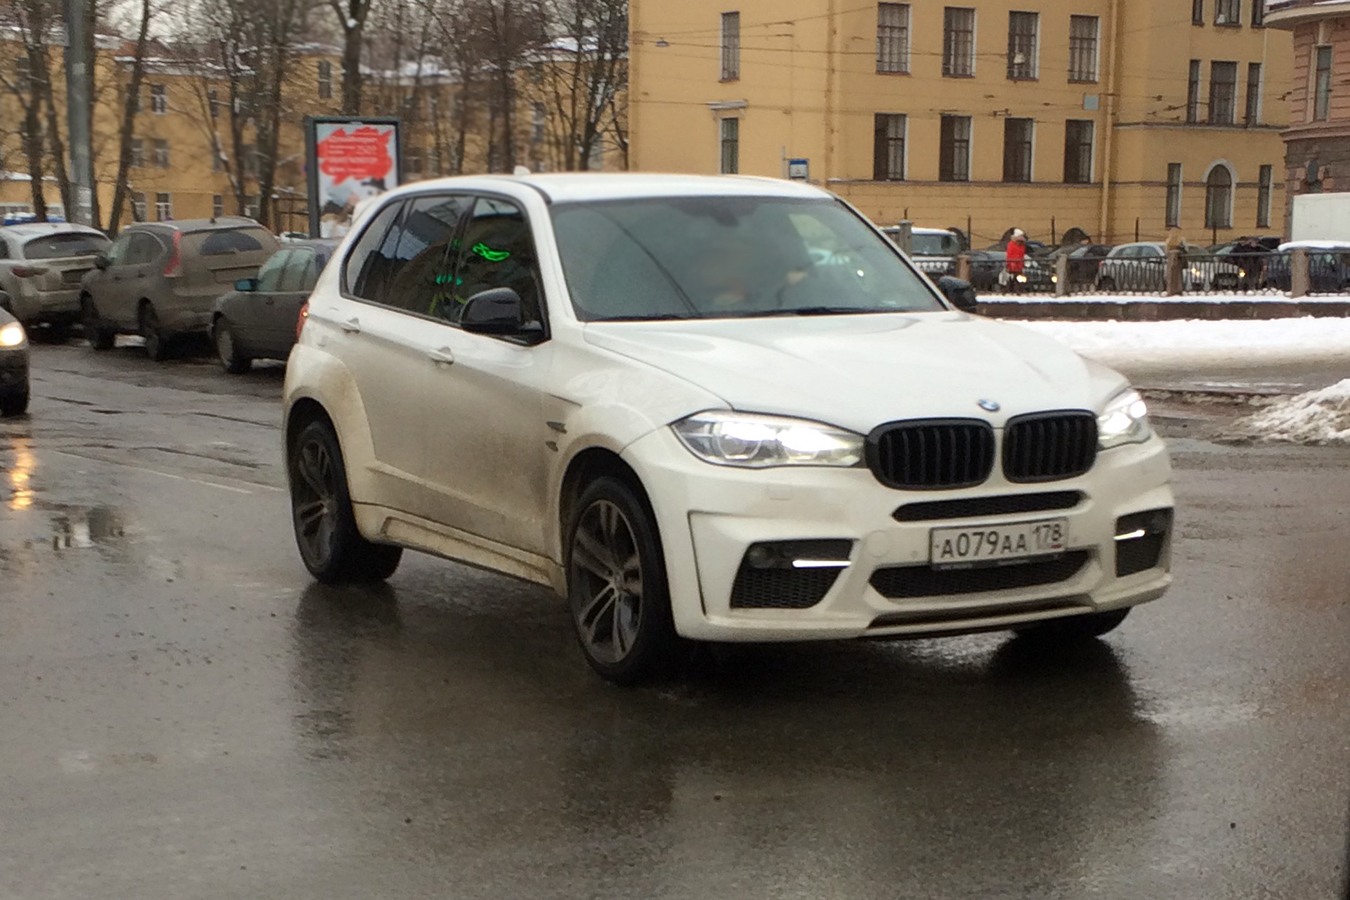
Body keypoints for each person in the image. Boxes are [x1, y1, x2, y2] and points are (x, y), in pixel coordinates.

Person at [1004, 229, 1028, 294]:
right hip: (1013, 263)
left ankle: (1011, 289)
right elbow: (1009, 254)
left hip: (1019, 264)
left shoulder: (1022, 245)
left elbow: (1022, 255)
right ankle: (1012, 289)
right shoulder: (1011, 244)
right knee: (1013, 277)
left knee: (1017, 277)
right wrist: (1010, 263)